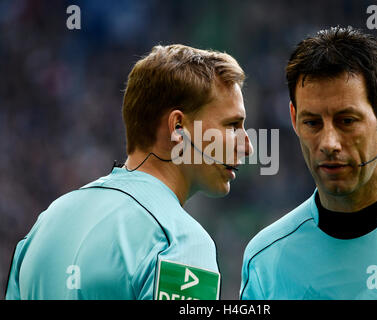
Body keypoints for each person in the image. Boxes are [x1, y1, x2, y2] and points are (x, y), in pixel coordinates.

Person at [6, 44, 252, 300]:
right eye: (232, 125)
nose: (248, 146)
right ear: (179, 128)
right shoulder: (178, 242)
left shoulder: (46, 223)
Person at [240, 27, 377, 300]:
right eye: (312, 123)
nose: (329, 143)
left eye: (347, 121)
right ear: (293, 120)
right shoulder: (265, 262)